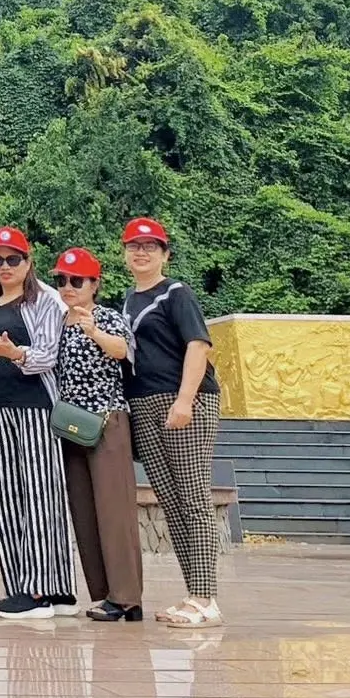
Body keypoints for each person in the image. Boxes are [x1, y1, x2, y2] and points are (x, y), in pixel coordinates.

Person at [121, 216, 224, 628]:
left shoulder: (176, 293)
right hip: (144, 404)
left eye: (150, 246)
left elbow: (198, 346)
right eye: (134, 246)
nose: (141, 252)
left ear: (165, 254)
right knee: (171, 500)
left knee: (193, 498)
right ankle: (193, 593)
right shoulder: (128, 301)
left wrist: (184, 400)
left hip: (183, 401)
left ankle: (206, 599)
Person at [0, 226, 74, 620]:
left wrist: (16, 354)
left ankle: (40, 590)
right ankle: (27, 586)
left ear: (28, 262)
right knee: (6, 497)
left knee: (40, 494)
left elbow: (49, 355)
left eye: (13, 259)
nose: (5, 266)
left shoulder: (45, 302)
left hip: (35, 407)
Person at [52, 246, 142, 622]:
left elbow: (122, 351)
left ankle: (127, 597)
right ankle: (105, 594)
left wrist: (94, 332)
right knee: (85, 510)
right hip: (72, 425)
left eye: (77, 280)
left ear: (94, 284)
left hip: (106, 420)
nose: (68, 287)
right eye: (62, 280)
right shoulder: (59, 322)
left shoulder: (106, 316)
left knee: (114, 510)